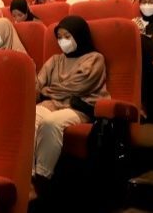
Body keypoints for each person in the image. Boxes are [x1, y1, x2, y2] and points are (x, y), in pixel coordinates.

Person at [33, 16, 110, 190]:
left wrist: (47, 91)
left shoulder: (94, 58)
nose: (63, 41)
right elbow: (38, 83)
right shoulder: (55, 60)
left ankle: (42, 178)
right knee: (30, 118)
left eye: (67, 36)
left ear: (80, 36)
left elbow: (79, 87)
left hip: (79, 106)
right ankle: (27, 177)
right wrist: (39, 91)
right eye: (59, 37)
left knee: (51, 123)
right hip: (52, 105)